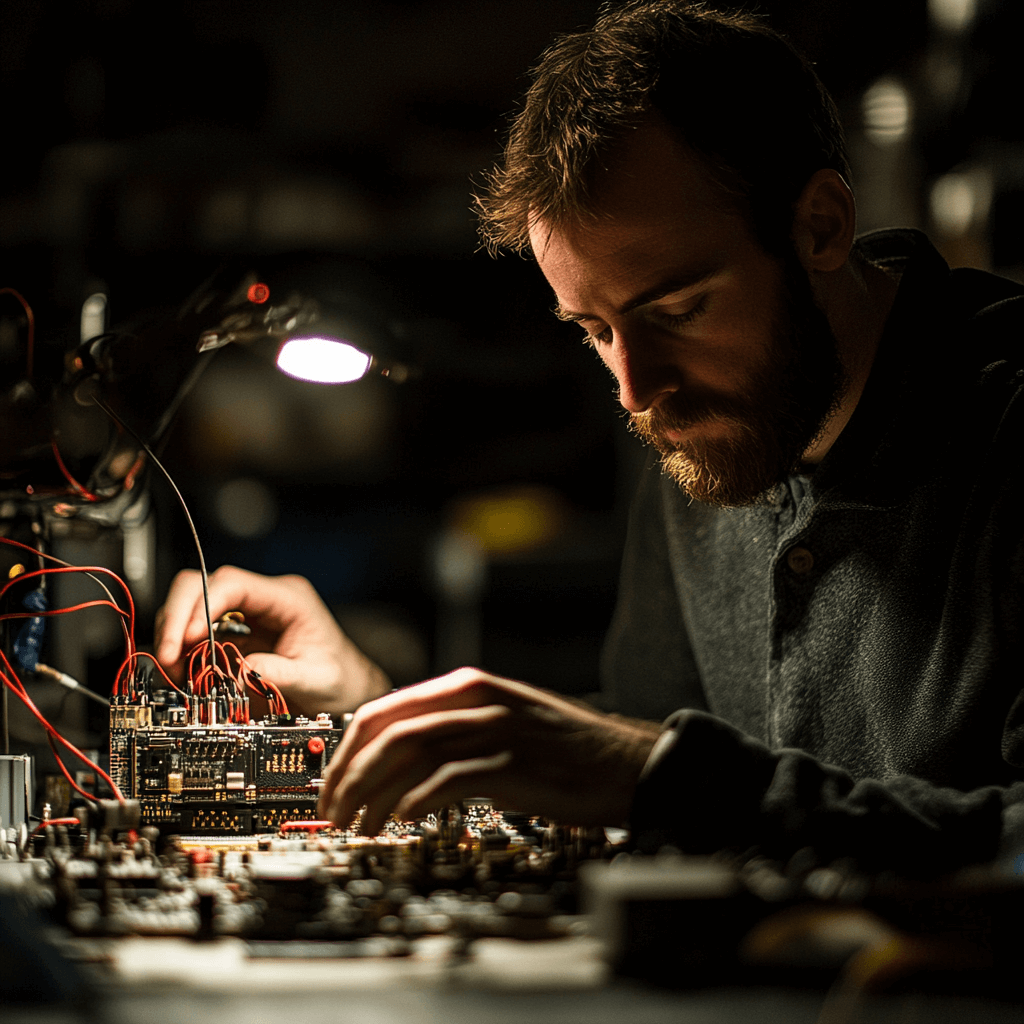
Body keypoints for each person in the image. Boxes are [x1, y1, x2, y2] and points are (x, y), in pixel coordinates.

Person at [155, 1, 1024, 874]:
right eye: (595, 330)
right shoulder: (704, 429)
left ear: (821, 228)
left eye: (678, 311)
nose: (637, 391)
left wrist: (666, 777)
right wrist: (385, 712)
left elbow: (675, 777)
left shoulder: (1006, 431)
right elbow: (633, 763)